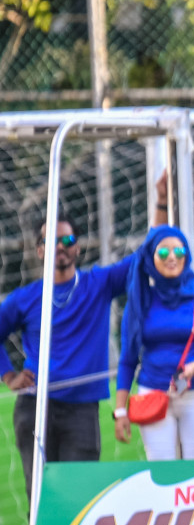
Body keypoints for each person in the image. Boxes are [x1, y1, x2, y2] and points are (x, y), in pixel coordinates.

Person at [2, 201, 165, 495]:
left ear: (77, 248)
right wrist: (7, 375)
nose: (60, 246)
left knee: (81, 498)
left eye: (67, 240)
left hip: (82, 411)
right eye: (51, 241)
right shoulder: (24, 299)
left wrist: (162, 203)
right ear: (39, 250)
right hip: (35, 408)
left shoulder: (98, 284)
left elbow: (147, 253)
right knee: (41, 499)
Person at [114, 226, 194, 461]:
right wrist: (120, 411)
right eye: (163, 252)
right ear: (150, 258)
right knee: (162, 471)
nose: (172, 257)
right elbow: (128, 359)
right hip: (154, 394)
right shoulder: (139, 300)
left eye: (179, 251)